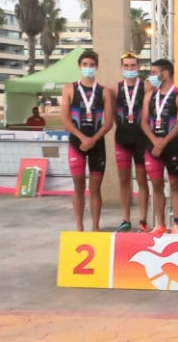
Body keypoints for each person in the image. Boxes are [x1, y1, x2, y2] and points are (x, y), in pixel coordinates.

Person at [60, 50, 114, 231]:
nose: (88, 68)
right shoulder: (69, 88)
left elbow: (109, 122)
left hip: (97, 144)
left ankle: (96, 227)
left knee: (96, 188)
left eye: (92, 65)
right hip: (77, 143)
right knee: (78, 186)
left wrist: (93, 139)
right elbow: (65, 120)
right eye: (85, 65)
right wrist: (83, 138)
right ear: (79, 66)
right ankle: (79, 227)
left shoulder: (104, 92)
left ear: (97, 67)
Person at [140, 59, 178, 234]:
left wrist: (163, 142)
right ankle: (160, 223)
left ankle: (176, 223)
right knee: (156, 184)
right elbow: (144, 122)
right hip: (152, 146)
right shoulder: (149, 95)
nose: (151, 77)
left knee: (175, 184)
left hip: (172, 145)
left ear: (165, 73)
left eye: (154, 73)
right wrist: (155, 141)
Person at [110, 51, 152, 232]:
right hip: (122, 138)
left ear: (139, 67)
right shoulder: (114, 89)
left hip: (142, 140)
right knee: (124, 180)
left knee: (142, 179)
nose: (129, 69)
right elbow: (112, 115)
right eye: (126, 66)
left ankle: (143, 220)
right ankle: (125, 218)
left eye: (133, 66)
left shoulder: (147, 87)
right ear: (121, 68)